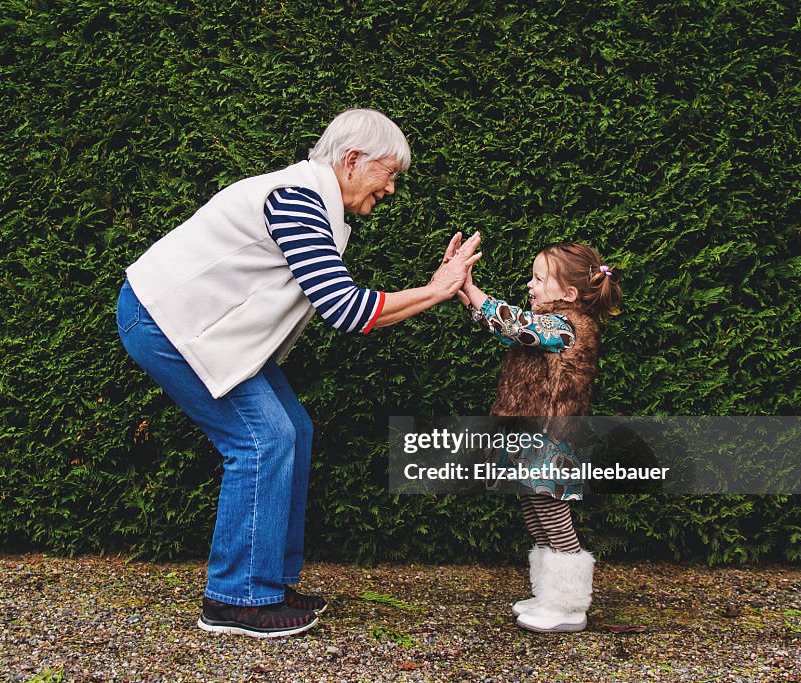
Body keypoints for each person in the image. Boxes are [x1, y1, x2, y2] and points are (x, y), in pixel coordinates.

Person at [117, 109, 482, 638]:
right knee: (262, 439)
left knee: (292, 430)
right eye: (390, 172)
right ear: (352, 160)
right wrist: (437, 289)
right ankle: (236, 600)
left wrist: (435, 289)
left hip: (199, 327)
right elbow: (347, 311)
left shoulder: (314, 202)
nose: (393, 188)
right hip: (166, 321)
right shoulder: (297, 200)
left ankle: (267, 584)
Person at [456, 242, 623, 633]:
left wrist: (472, 289)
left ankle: (569, 605)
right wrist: (464, 289)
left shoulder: (564, 326)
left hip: (551, 442)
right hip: (528, 438)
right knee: (534, 509)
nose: (530, 285)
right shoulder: (546, 323)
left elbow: (515, 325)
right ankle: (551, 594)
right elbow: (506, 329)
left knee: (552, 514)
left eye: (539, 279)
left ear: (568, 295)